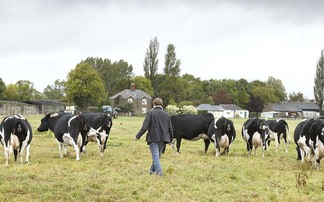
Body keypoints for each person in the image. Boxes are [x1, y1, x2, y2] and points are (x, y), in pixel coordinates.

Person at [135, 97, 173, 176]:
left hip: (153, 138)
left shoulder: (150, 113)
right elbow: (170, 129)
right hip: (164, 139)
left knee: (156, 157)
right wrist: (170, 140)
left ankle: (159, 174)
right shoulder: (166, 115)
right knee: (157, 157)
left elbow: (145, 127)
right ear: (162, 105)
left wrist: (138, 136)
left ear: (153, 104)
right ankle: (151, 172)